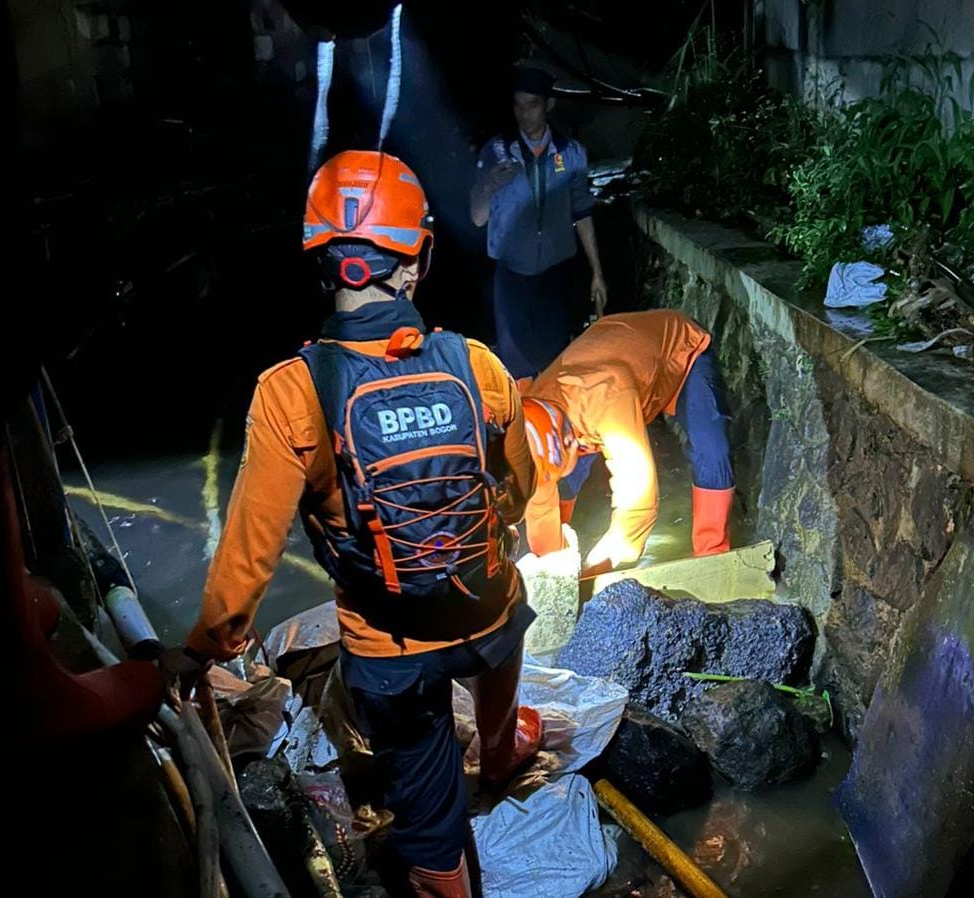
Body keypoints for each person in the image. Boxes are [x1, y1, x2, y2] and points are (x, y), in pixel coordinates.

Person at [169, 150, 540, 898]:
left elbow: (250, 553)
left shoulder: (290, 394)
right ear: (417, 260)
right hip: (485, 608)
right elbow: (521, 485)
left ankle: (444, 868)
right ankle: (500, 751)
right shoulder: (478, 366)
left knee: (430, 819)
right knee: (509, 602)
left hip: (390, 646)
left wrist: (209, 647)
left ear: (321, 265)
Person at [521, 309, 734, 576]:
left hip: (680, 353)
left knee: (711, 449)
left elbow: (639, 502)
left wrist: (599, 566)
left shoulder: (607, 395)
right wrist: (551, 571)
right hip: (617, 361)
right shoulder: (529, 416)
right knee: (561, 483)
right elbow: (539, 500)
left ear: (570, 440)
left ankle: (712, 557)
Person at [470, 65, 607, 380]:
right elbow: (477, 217)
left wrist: (597, 273)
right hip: (511, 275)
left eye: (531, 105)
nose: (523, 114)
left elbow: (582, 213)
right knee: (514, 363)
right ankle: (520, 424)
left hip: (556, 273)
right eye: (517, 106)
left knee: (554, 359)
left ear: (549, 105)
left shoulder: (570, 154)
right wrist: (488, 184)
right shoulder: (496, 151)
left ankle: (553, 423)